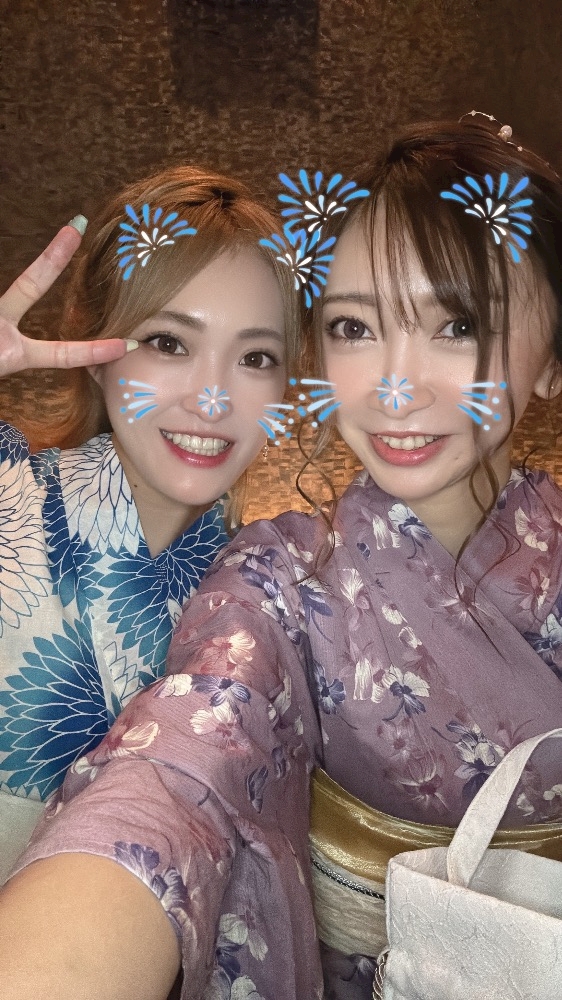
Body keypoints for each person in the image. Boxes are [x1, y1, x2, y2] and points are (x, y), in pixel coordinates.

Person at [1, 118, 562, 1000]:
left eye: (457, 323)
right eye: (357, 327)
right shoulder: (275, 584)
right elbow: (181, 765)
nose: (396, 384)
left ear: (553, 359)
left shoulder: (208, 549)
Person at [0, 165, 299, 883]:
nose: (212, 397)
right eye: (169, 342)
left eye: (256, 357)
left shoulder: (275, 593)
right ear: (94, 351)